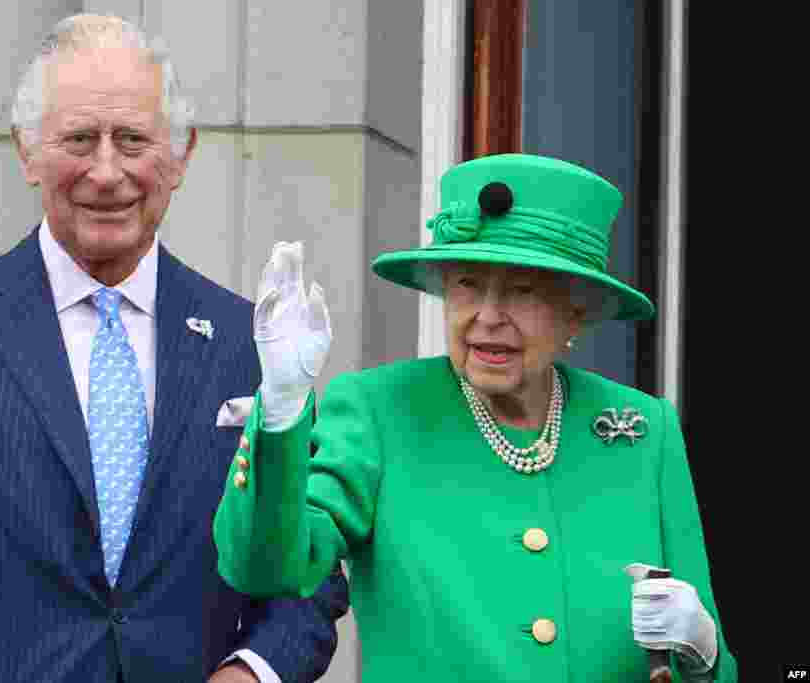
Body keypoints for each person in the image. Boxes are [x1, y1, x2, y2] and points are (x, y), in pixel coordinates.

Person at [0, 14, 347, 683]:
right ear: (27, 149)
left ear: (180, 156)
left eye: (132, 140)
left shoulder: (254, 349)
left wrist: (250, 672)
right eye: (78, 138)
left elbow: (309, 579)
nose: (106, 171)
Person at [214, 153, 738, 681]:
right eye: (467, 284)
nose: (487, 317)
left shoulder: (645, 430)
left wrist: (703, 652)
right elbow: (270, 567)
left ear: (575, 311)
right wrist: (281, 411)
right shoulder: (380, 410)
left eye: (523, 290)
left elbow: (713, 670)